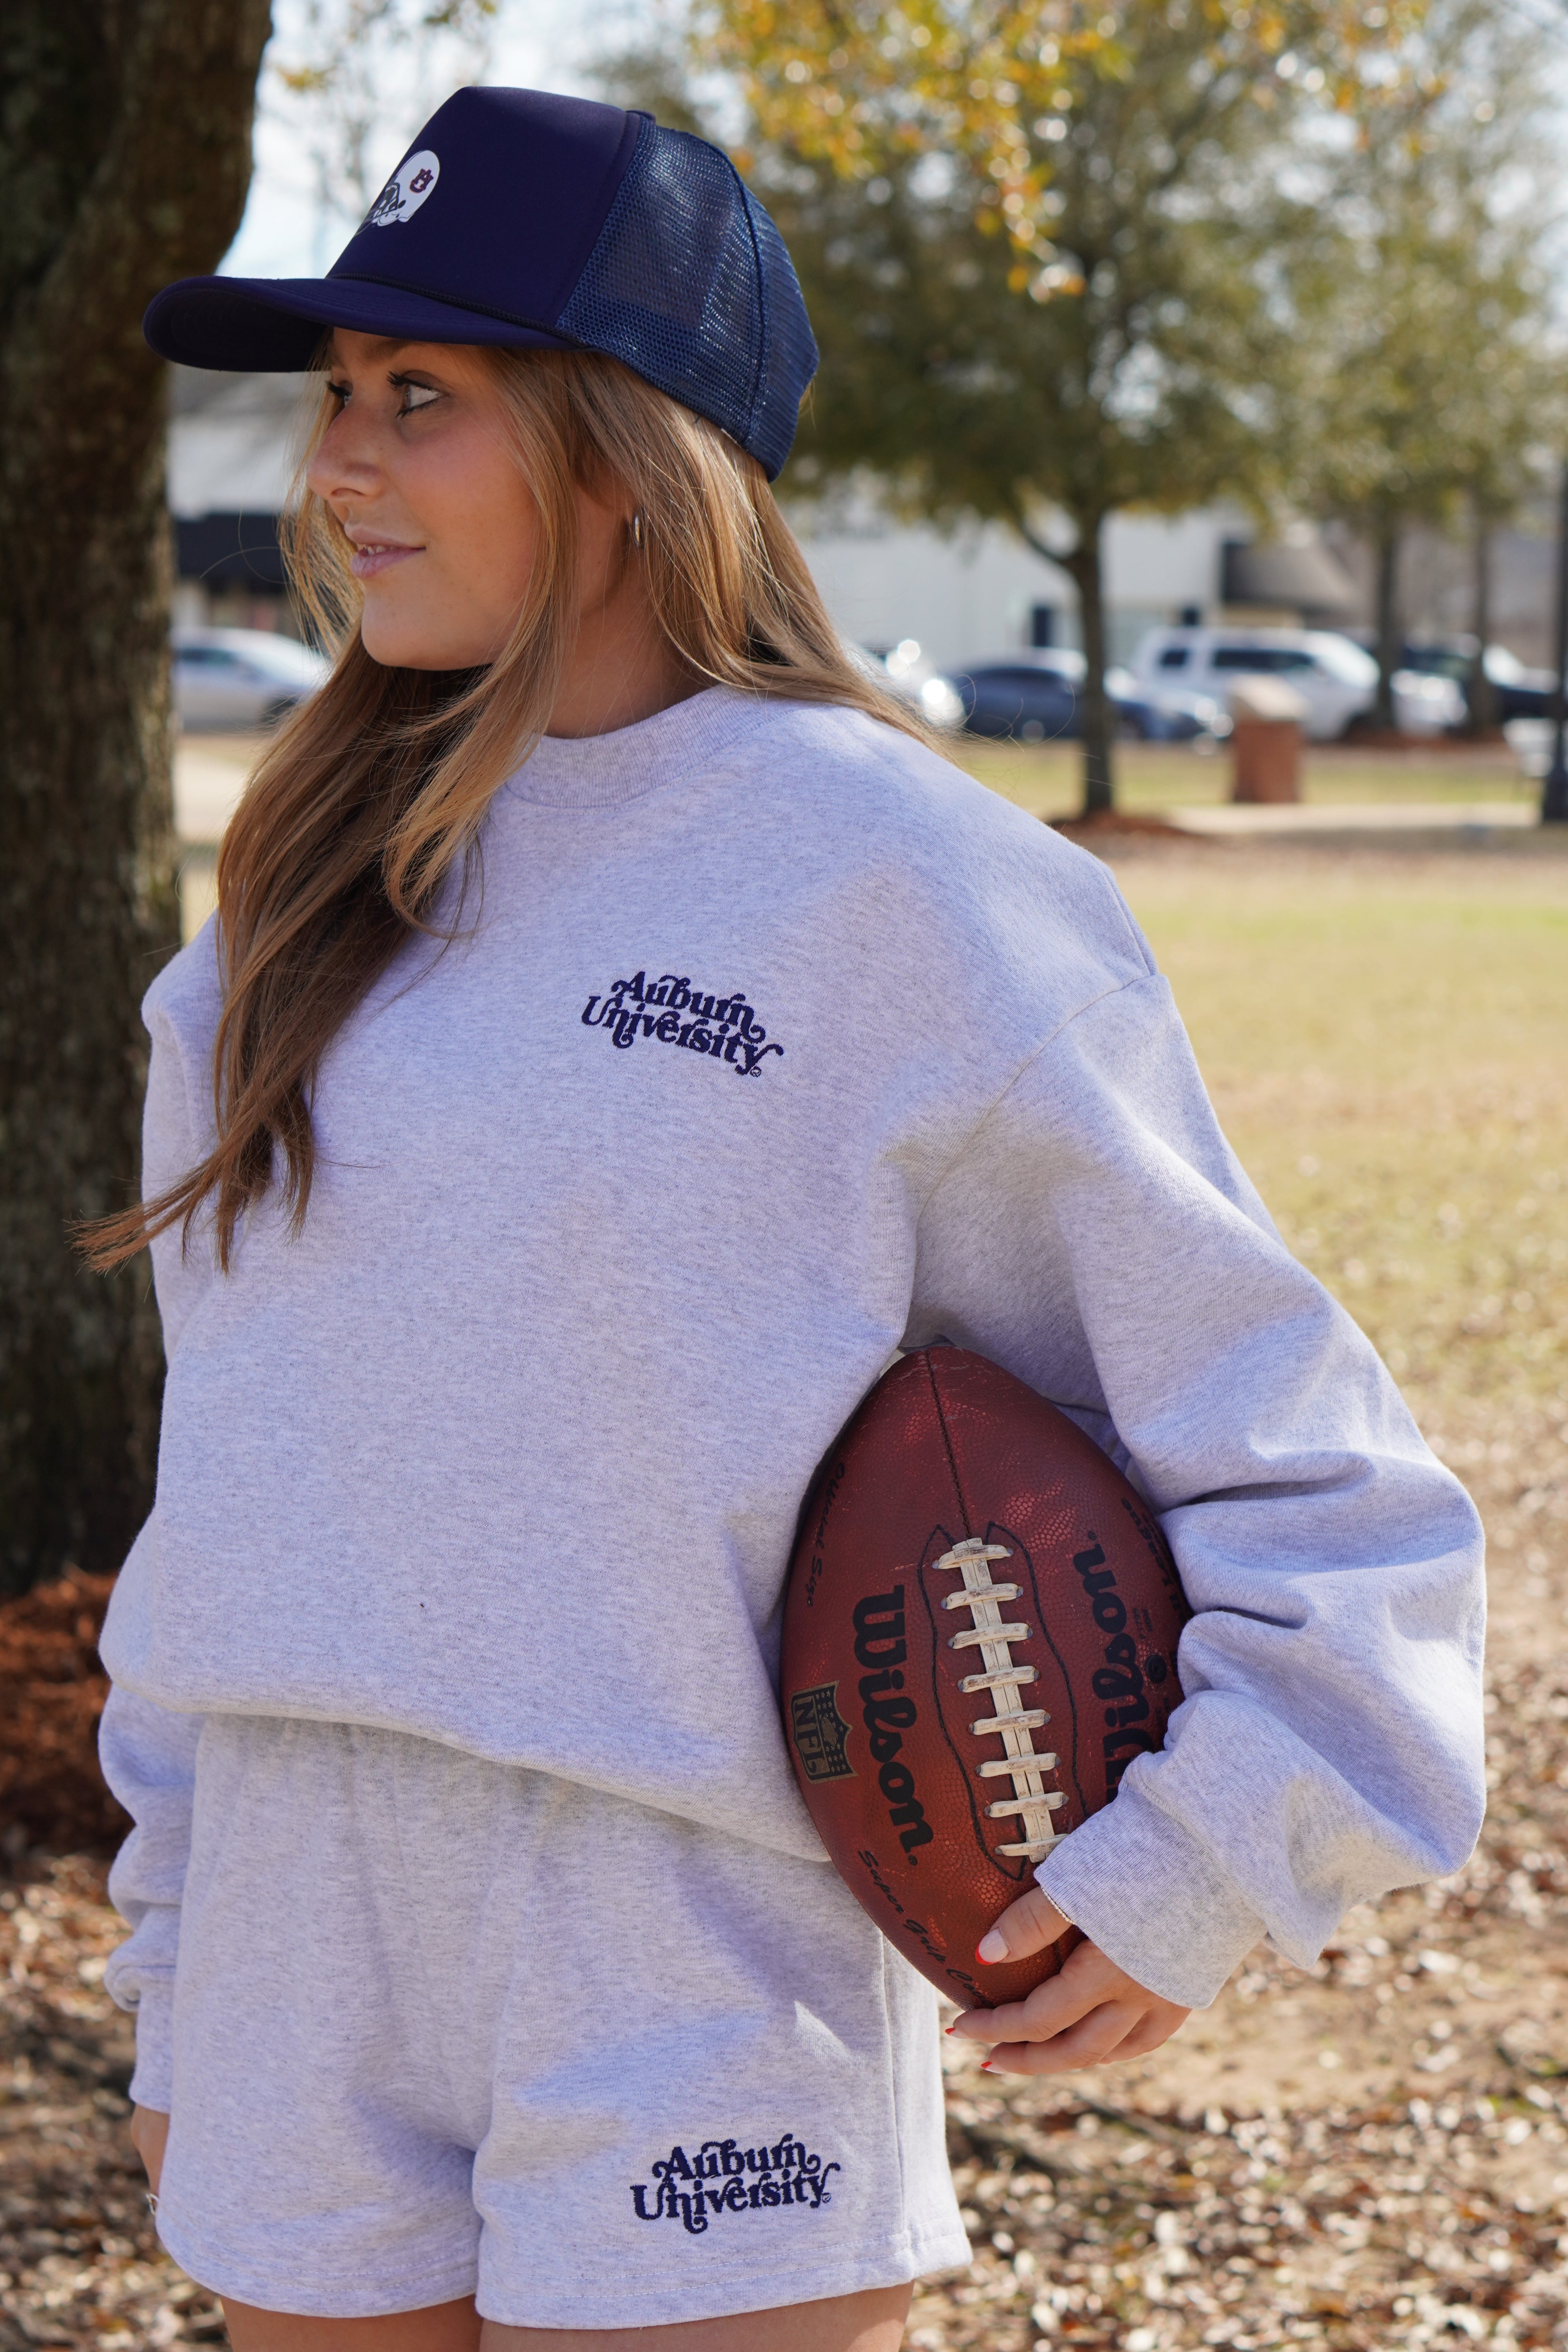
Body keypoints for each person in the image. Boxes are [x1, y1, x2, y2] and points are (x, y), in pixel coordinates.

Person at [88, 85, 1486, 2352]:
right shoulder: (288, 911)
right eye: (332, 397)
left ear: (630, 459)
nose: (336, 469)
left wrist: (1204, 1855)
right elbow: (227, 1481)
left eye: (419, 400)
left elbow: (1318, 1475)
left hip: (687, 1945)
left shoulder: (907, 895)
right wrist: (177, 1955)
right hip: (293, 1944)